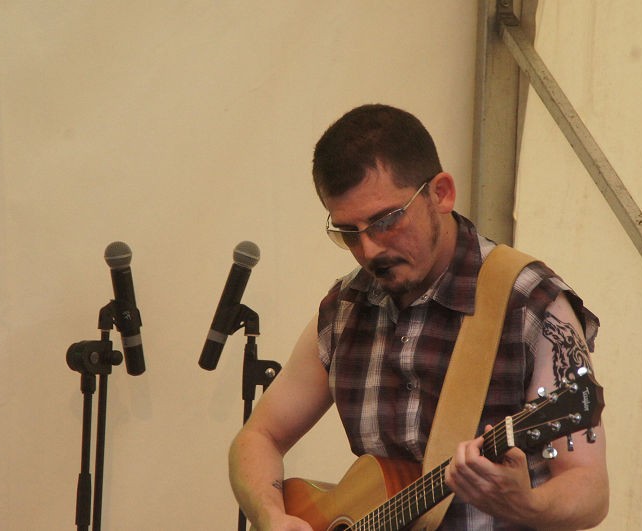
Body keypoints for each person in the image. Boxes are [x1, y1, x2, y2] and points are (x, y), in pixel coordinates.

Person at [229, 104, 609, 530]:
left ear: (441, 193)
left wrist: (528, 505)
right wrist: (271, 515)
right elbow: (258, 437)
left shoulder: (530, 302)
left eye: (386, 221)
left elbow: (589, 488)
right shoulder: (345, 308)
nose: (370, 250)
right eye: (349, 233)